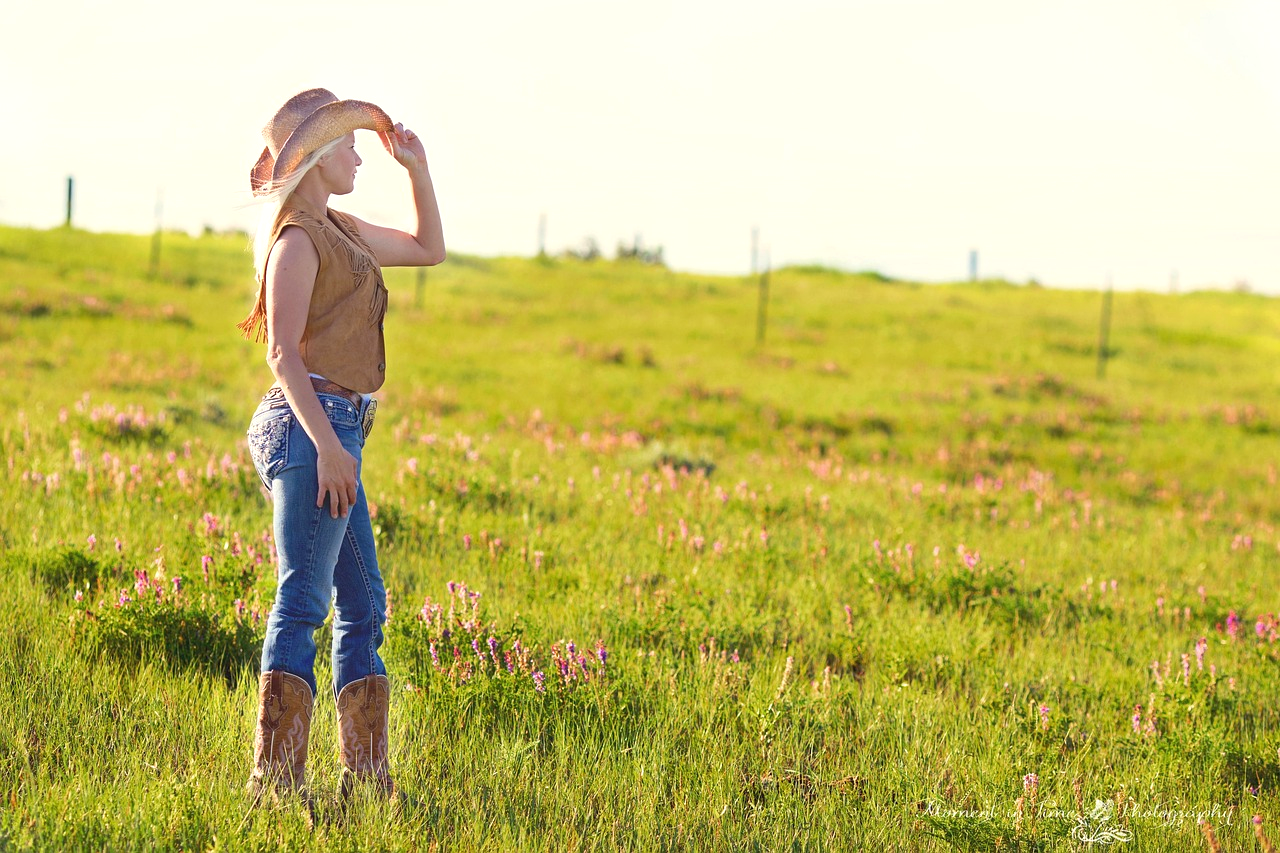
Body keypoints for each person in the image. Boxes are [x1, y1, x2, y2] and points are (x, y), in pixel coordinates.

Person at [237, 88, 444, 807]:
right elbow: (281, 354)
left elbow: (429, 249)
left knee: (364, 601)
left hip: (339, 426)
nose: (361, 154)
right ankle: (277, 783)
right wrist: (328, 447)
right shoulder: (295, 239)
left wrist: (416, 168)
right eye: (351, 145)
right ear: (320, 158)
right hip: (309, 425)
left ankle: (365, 778)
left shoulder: (342, 227)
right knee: (303, 598)